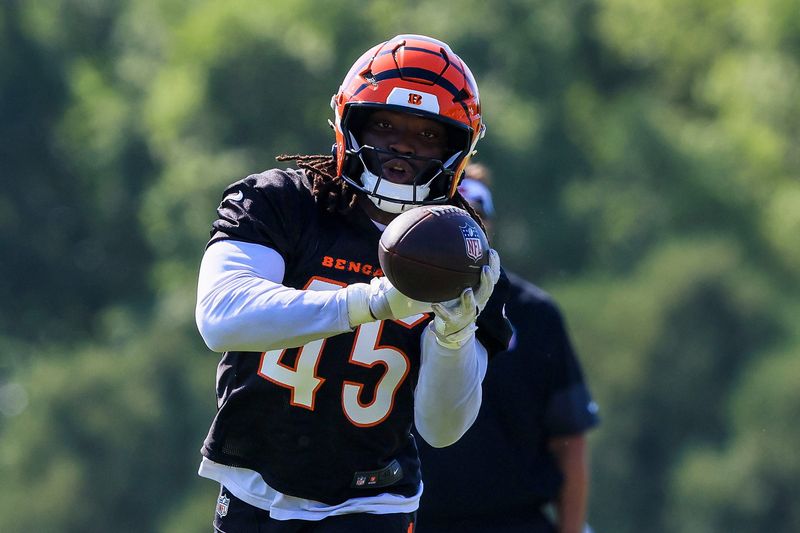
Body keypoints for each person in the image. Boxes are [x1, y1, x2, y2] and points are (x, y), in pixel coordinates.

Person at [194, 35, 513, 533]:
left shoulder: (461, 255)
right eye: (385, 125)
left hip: (372, 501)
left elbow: (443, 430)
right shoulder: (282, 203)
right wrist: (374, 300)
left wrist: (455, 337)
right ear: (349, 123)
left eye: (428, 134)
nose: (404, 145)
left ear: (459, 148)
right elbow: (221, 318)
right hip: (252, 487)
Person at [414, 163, 600, 533]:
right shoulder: (393, 303)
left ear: (489, 227)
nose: (464, 232)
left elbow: (569, 439)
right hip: (408, 519)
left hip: (514, 522)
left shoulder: (535, 314)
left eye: (475, 220)